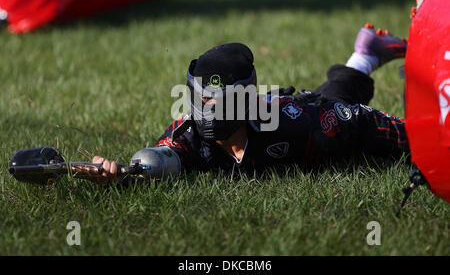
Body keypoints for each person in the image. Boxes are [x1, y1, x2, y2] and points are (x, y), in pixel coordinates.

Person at [87, 22, 409, 185]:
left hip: (314, 108)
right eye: (203, 98)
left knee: (335, 100)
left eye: (218, 100)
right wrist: (116, 175)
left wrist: (420, 139)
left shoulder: (293, 121)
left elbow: (358, 120)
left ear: (247, 97)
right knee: (336, 93)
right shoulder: (185, 138)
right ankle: (365, 53)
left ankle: (368, 55)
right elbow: (149, 166)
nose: (209, 108)